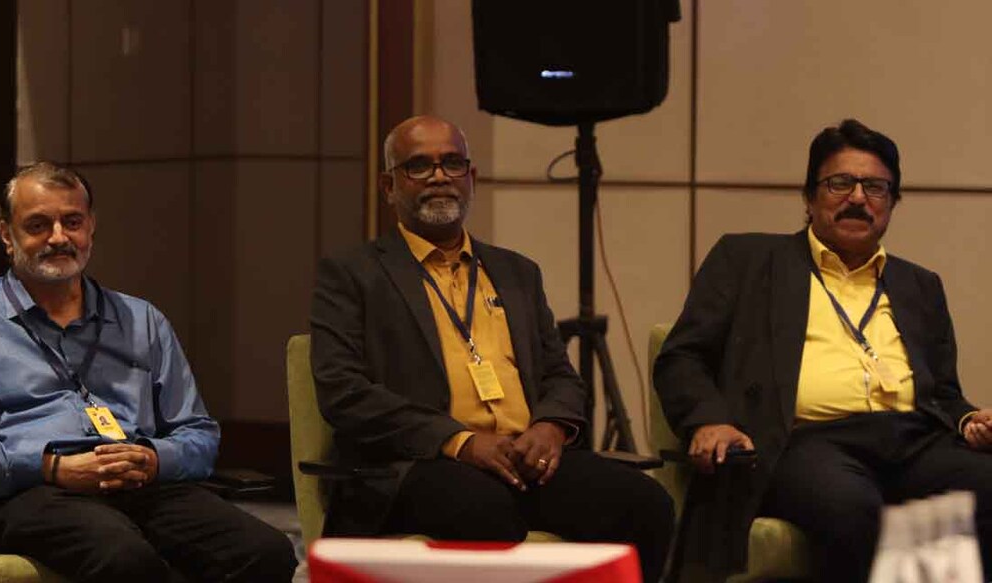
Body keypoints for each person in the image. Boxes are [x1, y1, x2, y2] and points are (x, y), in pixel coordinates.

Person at [310, 115, 674, 582]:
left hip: (524, 456)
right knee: (484, 511)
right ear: (388, 186)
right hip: (421, 463)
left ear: (471, 178)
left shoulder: (517, 271)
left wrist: (551, 427)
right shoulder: (351, 274)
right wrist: (459, 441)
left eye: (452, 163)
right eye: (418, 166)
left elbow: (561, 376)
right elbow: (343, 392)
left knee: (644, 503)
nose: (439, 176)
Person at [0, 162, 297, 582]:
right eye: (38, 225)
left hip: (144, 488)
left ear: (91, 227)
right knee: (125, 558)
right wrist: (51, 467)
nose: (58, 237)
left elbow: (198, 434)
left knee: (267, 552)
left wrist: (153, 459)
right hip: (33, 494)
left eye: (72, 222)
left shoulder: (142, 320)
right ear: (7, 235)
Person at [654, 119, 992, 581]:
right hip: (805, 441)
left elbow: (943, 394)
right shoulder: (748, 260)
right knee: (852, 508)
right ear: (809, 197)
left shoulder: (920, 284)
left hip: (913, 441)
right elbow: (682, 356)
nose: (857, 198)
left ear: (892, 203)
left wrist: (969, 420)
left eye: (875, 187)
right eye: (840, 183)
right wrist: (709, 420)